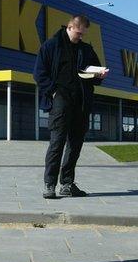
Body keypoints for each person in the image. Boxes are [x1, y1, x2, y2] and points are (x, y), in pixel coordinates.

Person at [33, 15, 108, 199]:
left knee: (75, 144)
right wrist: (53, 92)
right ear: (70, 27)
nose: (80, 37)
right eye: (78, 33)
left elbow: (95, 72)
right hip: (60, 100)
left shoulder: (86, 49)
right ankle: (49, 184)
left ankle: (67, 184)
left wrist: (99, 74)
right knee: (57, 143)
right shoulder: (51, 46)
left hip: (81, 102)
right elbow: (39, 73)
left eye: (83, 34)